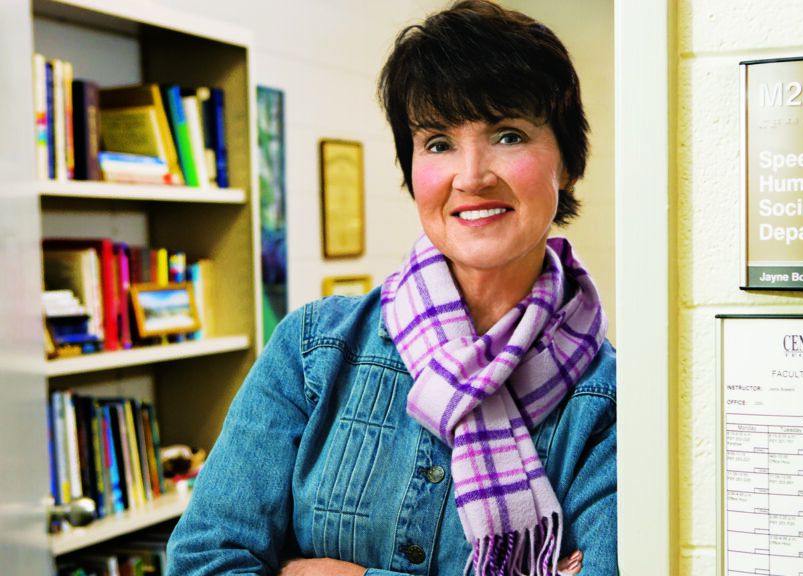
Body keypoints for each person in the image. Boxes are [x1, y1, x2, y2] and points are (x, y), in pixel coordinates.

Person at [166, 1, 616, 574]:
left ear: (568, 164)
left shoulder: (612, 403)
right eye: (437, 142)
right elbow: (203, 563)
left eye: (507, 134)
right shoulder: (311, 351)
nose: (471, 176)